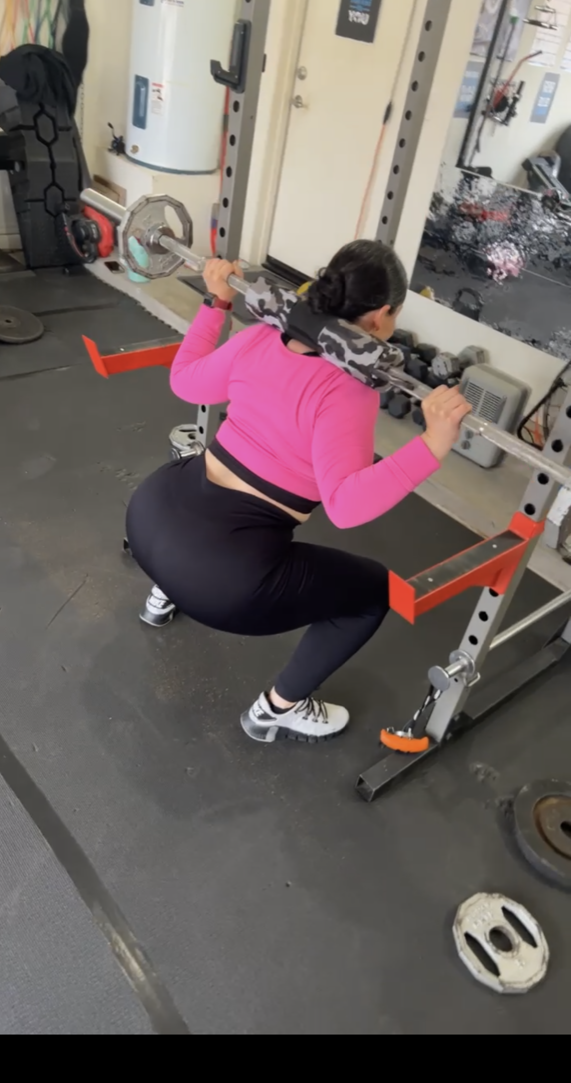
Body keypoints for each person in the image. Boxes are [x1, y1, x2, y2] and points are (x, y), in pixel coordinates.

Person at [126, 240, 472, 745]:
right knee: (373, 593)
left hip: (149, 517)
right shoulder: (348, 389)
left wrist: (216, 301)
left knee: (203, 502)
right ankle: (274, 711)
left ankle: (164, 593)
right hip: (220, 579)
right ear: (381, 315)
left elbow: (185, 383)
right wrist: (433, 444)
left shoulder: (262, 336)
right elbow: (346, 505)